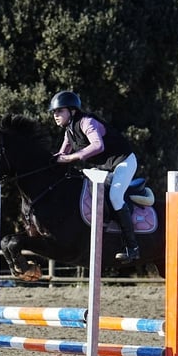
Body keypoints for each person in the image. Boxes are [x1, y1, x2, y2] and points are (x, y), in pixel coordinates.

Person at [49, 90, 140, 263]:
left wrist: (71, 157)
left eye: (60, 111)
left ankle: (132, 247)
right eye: (54, 112)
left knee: (115, 196)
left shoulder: (86, 122)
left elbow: (98, 145)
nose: (55, 115)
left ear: (72, 111)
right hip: (104, 168)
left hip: (123, 161)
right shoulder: (69, 132)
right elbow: (62, 155)